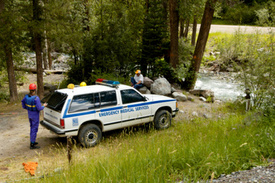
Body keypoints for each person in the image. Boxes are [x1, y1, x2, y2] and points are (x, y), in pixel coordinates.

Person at [21, 83, 47, 149]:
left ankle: (33, 141)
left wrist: (26, 108)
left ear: (30, 90)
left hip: (30, 115)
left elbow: (22, 102)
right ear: (35, 90)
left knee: (32, 128)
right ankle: (32, 144)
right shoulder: (36, 98)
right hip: (35, 116)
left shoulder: (26, 97)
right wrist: (44, 105)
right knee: (34, 129)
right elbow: (39, 108)